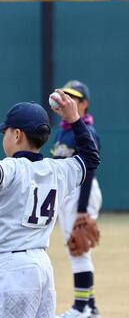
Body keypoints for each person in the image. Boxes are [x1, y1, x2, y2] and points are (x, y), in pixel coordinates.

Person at [0, 91, 100, 318]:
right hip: (43, 268)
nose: (3, 136)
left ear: (17, 135)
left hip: (13, 270)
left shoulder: (13, 168)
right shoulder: (60, 170)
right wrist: (75, 120)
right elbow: (91, 158)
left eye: (5, 132)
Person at [52, 81, 103, 318]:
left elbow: (89, 172)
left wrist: (82, 209)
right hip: (69, 195)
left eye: (74, 98)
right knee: (76, 249)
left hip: (82, 193)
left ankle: (81, 307)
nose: (69, 102)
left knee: (79, 250)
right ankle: (90, 307)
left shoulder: (87, 132)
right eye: (66, 97)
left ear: (84, 104)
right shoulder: (64, 131)